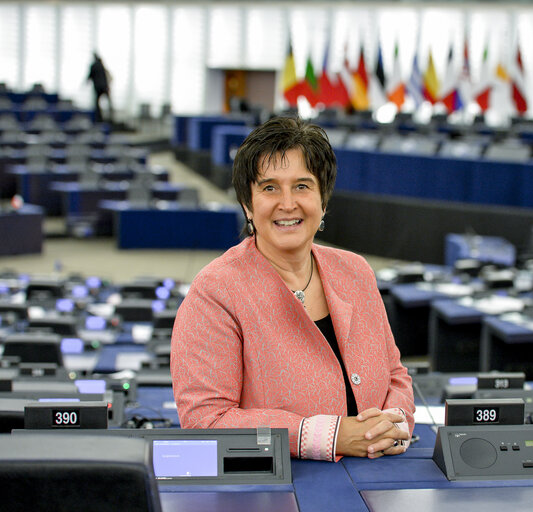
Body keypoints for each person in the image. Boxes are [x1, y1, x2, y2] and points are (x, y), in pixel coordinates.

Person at [171, 116, 415, 461]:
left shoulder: (356, 272)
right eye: (269, 187)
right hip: (278, 491)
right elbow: (204, 421)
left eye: (302, 186)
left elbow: (395, 375)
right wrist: (329, 438)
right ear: (247, 205)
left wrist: (394, 424)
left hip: (380, 478)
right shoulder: (215, 292)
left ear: (323, 201)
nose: (288, 203)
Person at [86, 52, 112, 123]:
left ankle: (100, 119)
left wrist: (85, 83)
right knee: (108, 102)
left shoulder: (94, 66)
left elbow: (89, 76)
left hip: (99, 87)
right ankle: (109, 117)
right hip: (104, 87)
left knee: (97, 104)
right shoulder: (102, 66)